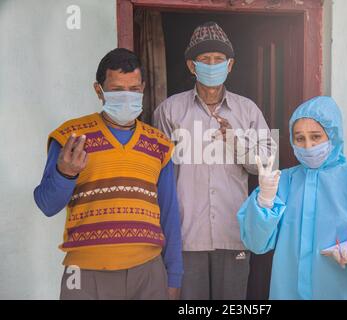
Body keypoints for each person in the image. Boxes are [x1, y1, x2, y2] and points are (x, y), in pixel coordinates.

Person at [34, 48, 183, 300]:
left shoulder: (160, 143)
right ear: (98, 90)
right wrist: (65, 173)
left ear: (143, 88)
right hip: (84, 275)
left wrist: (175, 275)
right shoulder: (72, 137)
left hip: (147, 272)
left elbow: (169, 213)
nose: (126, 97)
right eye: (116, 90)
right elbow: (46, 204)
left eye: (134, 89)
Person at [237, 96, 347, 299]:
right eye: (300, 138)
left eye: (316, 136)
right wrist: (265, 201)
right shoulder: (281, 182)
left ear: (333, 136)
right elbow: (256, 244)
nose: (308, 145)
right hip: (289, 292)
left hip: (346, 291)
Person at [153, 21, 275, 300]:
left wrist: (235, 141)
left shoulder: (247, 111)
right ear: (191, 66)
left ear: (230, 65)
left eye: (219, 59)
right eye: (205, 59)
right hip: (185, 235)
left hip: (233, 234)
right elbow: (155, 171)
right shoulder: (169, 111)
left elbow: (268, 164)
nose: (212, 65)